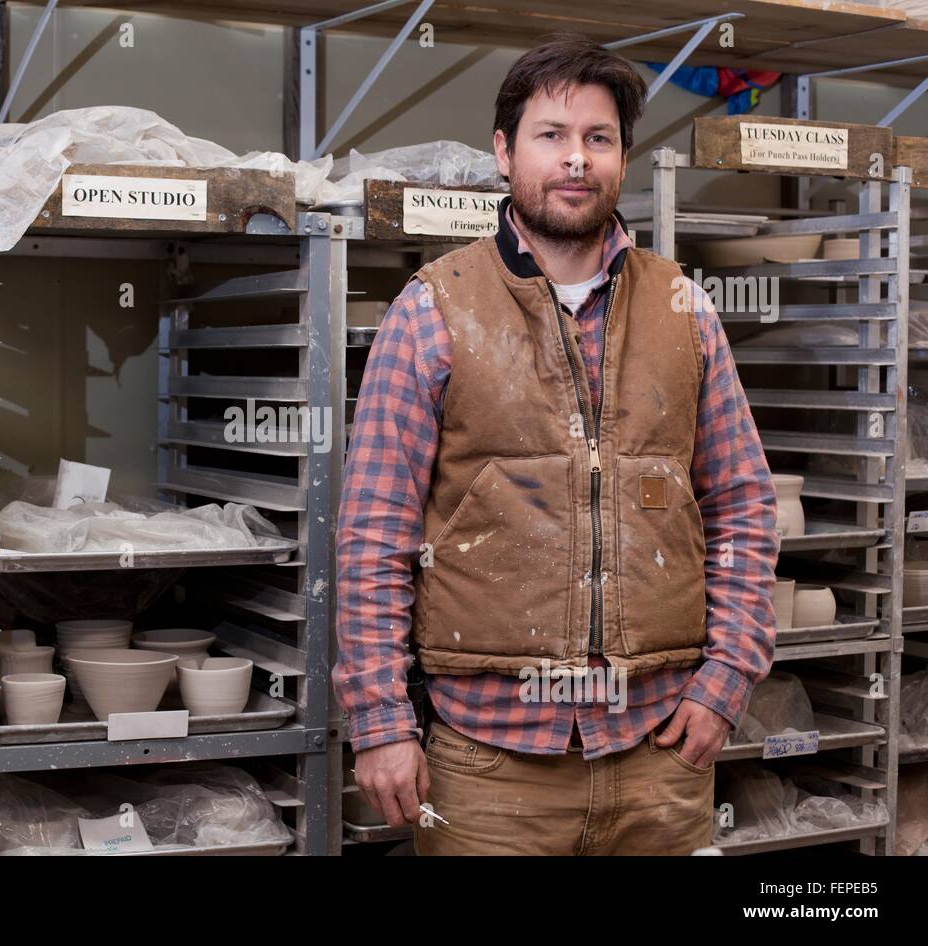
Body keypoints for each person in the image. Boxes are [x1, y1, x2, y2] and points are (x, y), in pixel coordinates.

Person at [334, 34, 779, 855]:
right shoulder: (434, 309)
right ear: (505, 153)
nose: (575, 159)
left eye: (597, 138)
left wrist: (725, 683)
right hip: (489, 771)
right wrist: (379, 721)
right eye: (551, 135)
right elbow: (372, 535)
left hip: (660, 757)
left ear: (622, 156)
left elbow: (744, 507)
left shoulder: (682, 307)